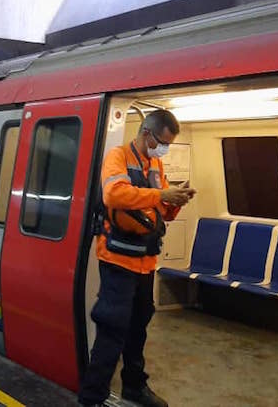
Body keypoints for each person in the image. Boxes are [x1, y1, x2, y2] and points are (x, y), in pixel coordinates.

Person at [79, 110, 196, 407]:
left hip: (145, 261)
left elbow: (160, 211)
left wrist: (176, 201)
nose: (164, 149)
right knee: (112, 326)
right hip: (118, 259)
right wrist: (160, 196)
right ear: (146, 133)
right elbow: (114, 196)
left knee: (138, 325)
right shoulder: (117, 157)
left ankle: (134, 386)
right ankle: (93, 397)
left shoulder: (155, 164)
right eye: (162, 142)